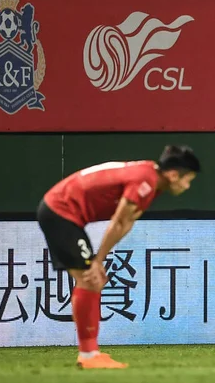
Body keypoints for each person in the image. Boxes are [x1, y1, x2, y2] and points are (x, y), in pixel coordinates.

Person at [37, 145, 200, 368]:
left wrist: (98, 259)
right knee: (90, 278)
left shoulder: (151, 180)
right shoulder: (145, 181)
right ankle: (88, 356)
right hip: (60, 212)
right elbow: (119, 221)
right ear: (173, 175)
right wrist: (98, 259)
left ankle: (90, 353)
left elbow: (127, 222)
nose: (187, 186)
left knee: (94, 279)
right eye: (187, 180)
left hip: (65, 215)